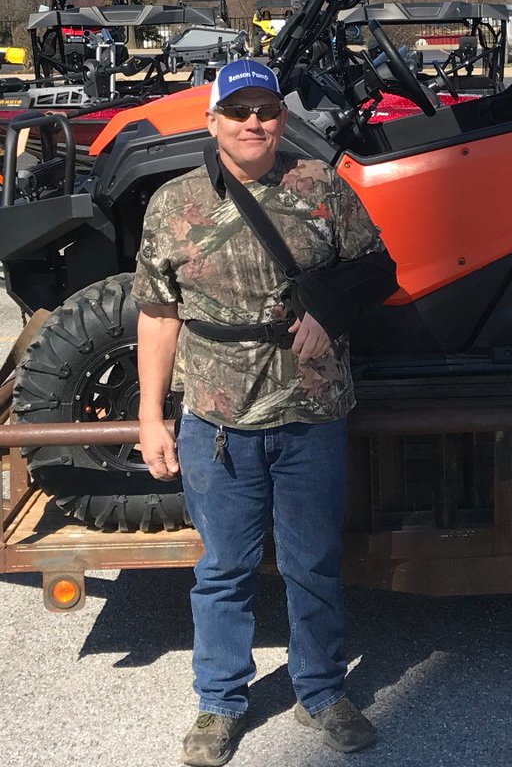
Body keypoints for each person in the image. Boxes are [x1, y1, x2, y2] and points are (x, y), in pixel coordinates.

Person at [135, 58, 397, 767]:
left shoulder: (319, 187)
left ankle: (320, 691)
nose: (255, 123)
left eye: (268, 112)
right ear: (213, 120)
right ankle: (220, 703)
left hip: (311, 409)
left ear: (283, 119)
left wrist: (327, 307)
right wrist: (151, 418)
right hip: (216, 418)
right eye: (239, 112)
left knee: (313, 562)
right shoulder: (174, 205)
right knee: (223, 567)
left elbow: (378, 268)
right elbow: (158, 315)